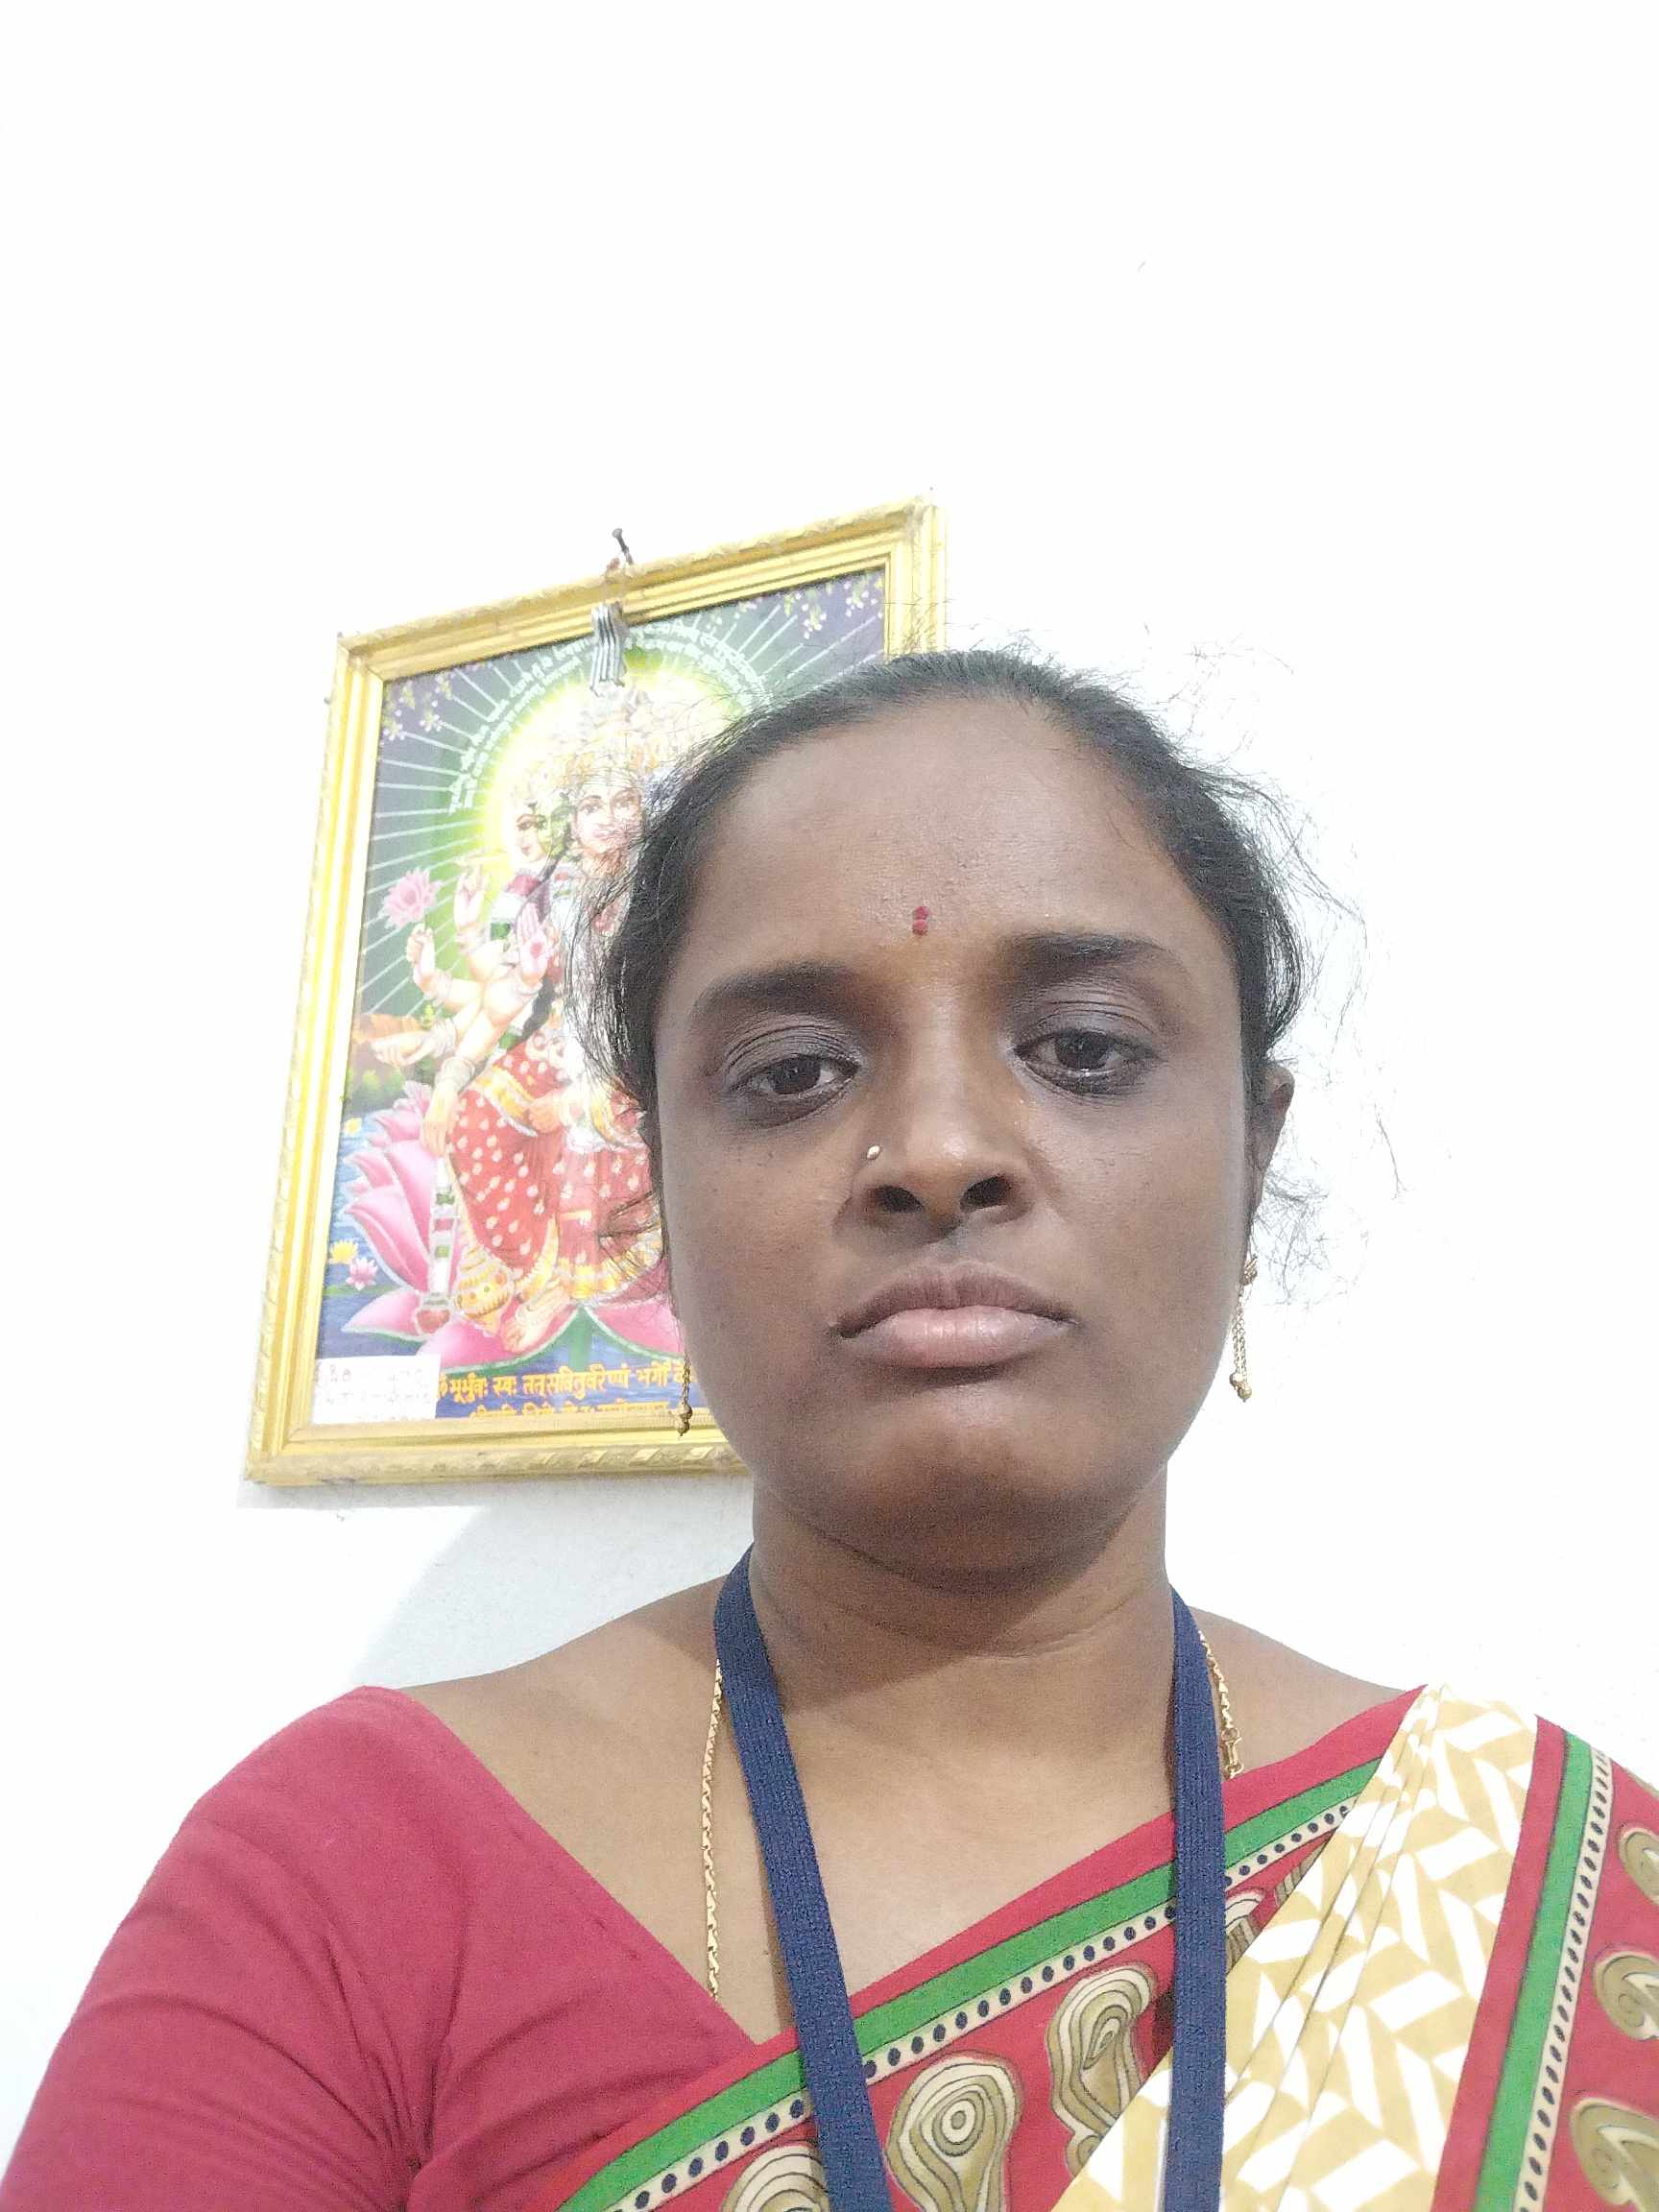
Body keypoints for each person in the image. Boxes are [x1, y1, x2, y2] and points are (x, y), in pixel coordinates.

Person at [5, 651, 1654, 2211]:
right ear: (659, 1199)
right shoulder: (346, 1876)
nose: (937, 1149)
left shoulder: (1556, 1883)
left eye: (1085, 1050)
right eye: (793, 1074)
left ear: (1251, 1156)